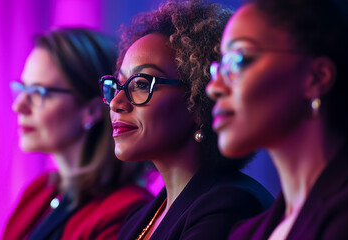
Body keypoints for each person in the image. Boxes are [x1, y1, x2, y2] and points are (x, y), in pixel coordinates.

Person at [98, 1, 274, 239]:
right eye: (118, 85)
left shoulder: (231, 206)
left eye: (141, 84)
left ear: (200, 100)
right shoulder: (138, 220)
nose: (118, 102)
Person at [206, 0, 348, 239]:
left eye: (238, 60)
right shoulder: (245, 233)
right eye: (219, 68)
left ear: (317, 77)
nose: (214, 88)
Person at [2, 28, 153, 240]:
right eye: (22, 89)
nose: (19, 106)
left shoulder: (127, 211)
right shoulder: (39, 190)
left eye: (37, 93)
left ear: (91, 109)